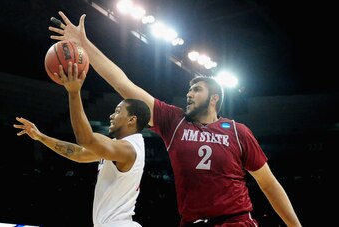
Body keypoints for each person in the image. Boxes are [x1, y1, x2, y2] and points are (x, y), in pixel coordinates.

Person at [49, 11, 302, 227]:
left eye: (197, 90)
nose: (189, 94)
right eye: (189, 90)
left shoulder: (237, 132)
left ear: (214, 98)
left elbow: (269, 185)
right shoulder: (175, 121)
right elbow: (122, 83)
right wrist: (85, 45)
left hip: (235, 221)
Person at [13, 62, 151, 227]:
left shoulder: (127, 149)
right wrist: (41, 137)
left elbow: (86, 139)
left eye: (117, 111)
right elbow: (78, 153)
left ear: (132, 120)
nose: (111, 116)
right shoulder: (119, 147)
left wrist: (74, 92)